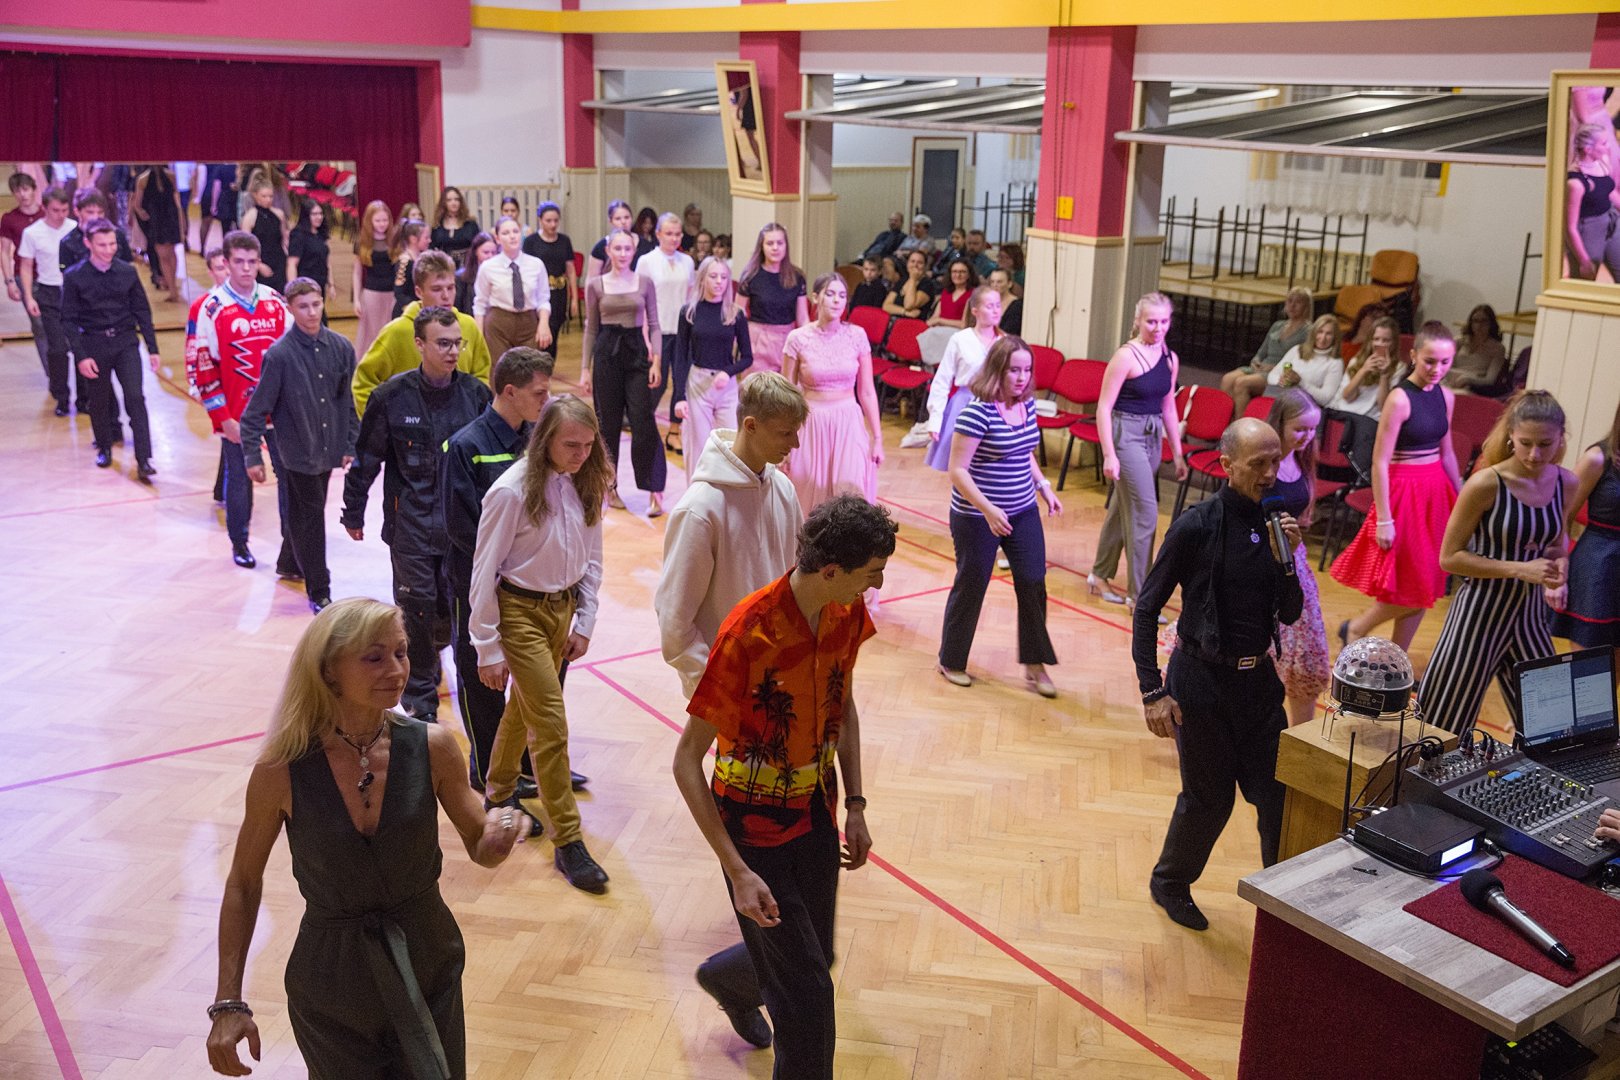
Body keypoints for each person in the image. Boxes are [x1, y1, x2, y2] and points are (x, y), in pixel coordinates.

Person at [204, 599, 521, 1080]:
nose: (396, 670)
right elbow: (243, 883)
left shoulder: (434, 747)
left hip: (426, 962)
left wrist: (500, 832)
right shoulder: (280, 770)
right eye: (374, 657)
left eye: (401, 652)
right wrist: (228, 1002)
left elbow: (481, 845)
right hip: (332, 984)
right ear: (328, 671)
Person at [672, 494, 894, 1080]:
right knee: (808, 1000)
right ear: (832, 571)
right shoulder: (748, 635)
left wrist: (856, 804)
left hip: (815, 813)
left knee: (816, 957)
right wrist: (736, 871)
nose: (877, 585)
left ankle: (730, 979)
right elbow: (686, 761)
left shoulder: (846, 613)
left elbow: (842, 705)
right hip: (753, 834)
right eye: (872, 573)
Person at [655, 372, 809, 1050]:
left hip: (787, 696)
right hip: (735, 706)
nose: (794, 445)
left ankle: (748, 969)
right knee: (752, 845)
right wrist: (726, 696)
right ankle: (745, 974)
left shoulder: (781, 487)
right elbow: (674, 625)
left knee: (791, 845)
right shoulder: (701, 509)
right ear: (748, 425)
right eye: (784, 433)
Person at [1135, 417, 1303, 932]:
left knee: (1277, 796)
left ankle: (1280, 906)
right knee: (1209, 801)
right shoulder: (1197, 525)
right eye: (1259, 464)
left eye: (1276, 461)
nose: (1271, 474)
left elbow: (1291, 612)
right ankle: (1169, 883)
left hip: (1258, 685)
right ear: (1228, 465)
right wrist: (1152, 691)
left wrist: (1288, 561)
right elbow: (1147, 607)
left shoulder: (1277, 525)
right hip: (1201, 683)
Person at [470, 395, 614, 893]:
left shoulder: (587, 482)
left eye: (588, 445)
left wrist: (585, 620)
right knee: (550, 724)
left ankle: (498, 793)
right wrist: (487, 646)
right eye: (571, 445)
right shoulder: (510, 491)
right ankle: (568, 841)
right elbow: (483, 571)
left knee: (524, 708)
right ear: (545, 439)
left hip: (562, 610)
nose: (581, 454)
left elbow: (593, 557)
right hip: (519, 612)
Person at [443, 348, 584, 813]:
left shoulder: (539, 441)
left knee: (539, 685)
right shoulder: (466, 445)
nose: (548, 400)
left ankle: (528, 765)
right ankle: (488, 775)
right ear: (509, 391)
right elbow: (463, 529)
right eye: (540, 393)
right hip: (482, 585)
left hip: (537, 592)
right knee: (486, 684)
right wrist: (514, 573)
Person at [342, 307, 493, 722]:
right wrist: (353, 511)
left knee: (454, 613)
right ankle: (421, 703)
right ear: (420, 345)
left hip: (462, 531)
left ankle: (470, 694)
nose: (453, 352)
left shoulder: (476, 397)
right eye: (443, 344)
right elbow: (366, 459)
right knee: (416, 611)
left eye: (457, 343)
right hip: (410, 527)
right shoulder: (391, 398)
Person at [1417, 391, 1575, 738]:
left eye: (1545, 444)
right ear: (1510, 436)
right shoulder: (1486, 483)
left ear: (1561, 438)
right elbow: (1449, 558)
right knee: (1442, 726)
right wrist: (1519, 569)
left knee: (1553, 726)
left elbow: (1556, 543)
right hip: (1478, 615)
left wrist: (1560, 566)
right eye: (1525, 443)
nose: (1534, 455)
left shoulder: (1566, 482)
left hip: (1529, 616)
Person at [937, 336, 1062, 696]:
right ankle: (951, 659)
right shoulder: (977, 412)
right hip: (977, 515)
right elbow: (957, 470)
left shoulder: (1027, 405)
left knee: (1033, 580)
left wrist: (1044, 486)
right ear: (997, 370)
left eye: (1027, 370)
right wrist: (988, 509)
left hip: (1022, 509)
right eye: (1014, 370)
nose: (1022, 378)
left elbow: (1024, 452)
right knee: (972, 583)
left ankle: (1035, 664)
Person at [1331, 321, 1463, 652]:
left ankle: (1397, 656)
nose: (1437, 369)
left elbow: (1446, 452)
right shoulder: (1400, 398)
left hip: (1436, 491)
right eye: (1430, 361)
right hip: (1405, 493)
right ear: (1414, 355)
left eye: (1445, 362)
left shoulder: (1446, 396)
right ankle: (1358, 628)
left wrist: (1461, 496)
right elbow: (1379, 461)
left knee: (1425, 583)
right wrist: (1385, 518)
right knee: (1412, 586)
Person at [238, 278, 360, 613]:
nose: (311, 312)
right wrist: (252, 456)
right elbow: (254, 413)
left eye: (316, 304)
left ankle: (288, 561)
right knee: (311, 516)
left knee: (303, 511)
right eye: (303, 307)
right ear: (290, 309)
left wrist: (351, 443)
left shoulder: (342, 348)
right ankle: (320, 590)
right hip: (296, 453)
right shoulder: (279, 356)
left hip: (328, 448)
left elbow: (349, 402)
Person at [194, 231, 294, 570]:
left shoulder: (275, 301)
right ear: (226, 263)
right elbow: (205, 368)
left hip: (278, 413)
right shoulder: (212, 308)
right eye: (239, 262)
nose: (247, 268)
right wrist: (223, 418)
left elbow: (292, 355)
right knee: (239, 478)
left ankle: (291, 546)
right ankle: (239, 542)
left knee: (289, 476)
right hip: (237, 415)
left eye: (252, 262)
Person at [1087, 292, 1188, 609]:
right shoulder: (1125, 357)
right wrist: (1109, 454)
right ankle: (1141, 597)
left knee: (1122, 508)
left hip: (1152, 435)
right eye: (1151, 321)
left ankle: (1099, 574)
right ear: (1138, 321)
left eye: (1164, 321)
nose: (1158, 328)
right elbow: (1103, 408)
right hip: (1125, 435)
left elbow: (1168, 406)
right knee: (1145, 513)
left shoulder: (1169, 358)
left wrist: (1178, 452)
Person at [62, 220, 161, 480]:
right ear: (88, 244)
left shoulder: (128, 272)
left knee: (135, 397)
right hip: (94, 344)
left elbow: (142, 311)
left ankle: (144, 458)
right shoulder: (74, 276)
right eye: (102, 245)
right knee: (100, 399)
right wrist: (81, 356)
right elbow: (68, 320)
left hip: (125, 341)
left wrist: (153, 348)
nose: (108, 250)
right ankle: (104, 447)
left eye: (112, 244)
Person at [781, 274, 884, 514]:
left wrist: (877, 438)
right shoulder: (797, 338)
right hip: (811, 423)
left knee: (851, 491)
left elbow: (867, 392)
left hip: (848, 422)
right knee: (808, 493)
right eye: (830, 294)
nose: (837, 300)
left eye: (842, 295)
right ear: (816, 297)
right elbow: (787, 395)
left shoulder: (857, 335)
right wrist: (783, 439)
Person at [581, 229, 666, 516]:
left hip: (636, 353)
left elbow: (655, 325)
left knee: (643, 420)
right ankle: (609, 484)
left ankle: (654, 488)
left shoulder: (644, 282)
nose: (622, 254)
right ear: (608, 251)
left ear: (634, 251)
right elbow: (591, 329)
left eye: (627, 249)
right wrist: (584, 368)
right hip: (607, 354)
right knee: (608, 424)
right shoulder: (595, 285)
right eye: (617, 248)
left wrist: (656, 361)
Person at [353, 251, 492, 418]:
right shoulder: (397, 331)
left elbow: (481, 376)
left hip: (460, 427)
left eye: (451, 287)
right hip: (410, 428)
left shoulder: (469, 326)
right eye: (436, 289)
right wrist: (381, 423)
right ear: (419, 291)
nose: (446, 296)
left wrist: (475, 417)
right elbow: (363, 382)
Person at [1263, 390, 1332, 727]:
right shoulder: (1264, 461)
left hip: (1293, 561)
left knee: (1305, 659)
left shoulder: (1301, 460)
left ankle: (1300, 740)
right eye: (1300, 429)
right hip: (1262, 565)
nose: (1307, 436)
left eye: (1312, 429)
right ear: (1280, 424)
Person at [673, 256, 752, 482]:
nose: (719, 282)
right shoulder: (689, 312)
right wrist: (679, 397)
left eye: (724, 277)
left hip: (726, 386)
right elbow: (680, 356)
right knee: (698, 446)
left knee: (732, 443)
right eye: (713, 276)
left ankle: (729, 493)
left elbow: (747, 357)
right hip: (698, 382)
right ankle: (696, 494)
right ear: (703, 278)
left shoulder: (735, 313)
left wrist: (728, 372)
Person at [1551, 399, 1620, 648]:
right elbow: (1563, 516)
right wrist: (1557, 575)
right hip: (1599, 565)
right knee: (1589, 661)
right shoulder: (1597, 458)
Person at [17, 186, 81, 416]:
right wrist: (28, 297)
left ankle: (84, 399)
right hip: (48, 292)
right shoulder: (32, 233)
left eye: (64, 210)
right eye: (55, 210)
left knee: (80, 346)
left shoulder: (75, 229)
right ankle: (61, 397)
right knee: (57, 349)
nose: (61, 215)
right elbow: (26, 266)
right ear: (45, 208)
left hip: (75, 293)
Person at [924, 286, 1003, 471]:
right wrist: (935, 419)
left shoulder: (1004, 342)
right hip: (965, 404)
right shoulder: (960, 339)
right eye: (989, 306)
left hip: (995, 405)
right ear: (975, 310)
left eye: (998, 305)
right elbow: (942, 380)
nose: (995, 311)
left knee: (989, 465)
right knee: (961, 466)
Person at [640, 212, 696, 450]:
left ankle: (674, 430)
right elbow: (641, 301)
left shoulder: (687, 262)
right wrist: (645, 337)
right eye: (669, 234)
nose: (674, 238)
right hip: (658, 331)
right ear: (658, 234)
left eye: (677, 234)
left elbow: (691, 297)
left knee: (682, 383)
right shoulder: (647, 261)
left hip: (682, 331)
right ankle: (644, 424)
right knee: (657, 383)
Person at [1220, 287, 1312, 416]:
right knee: (1227, 379)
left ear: (1306, 306)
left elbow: (1302, 362)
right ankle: (1226, 420)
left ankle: (1241, 423)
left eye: (1298, 302)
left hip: (1277, 372)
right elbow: (1261, 351)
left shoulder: (1308, 331)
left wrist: (1273, 368)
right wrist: (1256, 362)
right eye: (1290, 301)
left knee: (1241, 383)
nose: (1292, 305)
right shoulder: (1277, 325)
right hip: (1261, 367)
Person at [187, 247, 232, 503]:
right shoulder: (202, 306)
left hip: (247, 383)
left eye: (227, 266)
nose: (226, 273)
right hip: (218, 382)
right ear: (210, 272)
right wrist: (195, 384)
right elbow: (192, 346)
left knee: (234, 441)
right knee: (231, 437)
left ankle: (222, 489)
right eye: (219, 268)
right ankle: (228, 491)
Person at [474, 215, 553, 361]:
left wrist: (544, 323)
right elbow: (480, 304)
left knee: (529, 368)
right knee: (498, 369)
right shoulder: (488, 267)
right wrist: (479, 335)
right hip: (499, 323)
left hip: (528, 322)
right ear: (497, 239)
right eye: (505, 233)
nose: (512, 236)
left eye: (515, 231)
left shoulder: (536, 264)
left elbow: (543, 299)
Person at [737, 223, 809, 377]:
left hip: (787, 338)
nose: (775, 248)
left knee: (786, 387)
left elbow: (802, 318)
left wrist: (809, 344)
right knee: (758, 388)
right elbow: (738, 315)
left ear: (786, 246)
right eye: (770, 243)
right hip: (758, 340)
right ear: (762, 246)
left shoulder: (797, 276)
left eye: (779, 243)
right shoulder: (750, 276)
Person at [2, 173, 49, 386]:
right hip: (25, 276)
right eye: (17, 191)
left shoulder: (47, 213)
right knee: (38, 324)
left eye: (26, 189)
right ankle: (51, 372)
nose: (22, 194)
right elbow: (4, 251)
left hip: (51, 274)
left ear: (33, 190)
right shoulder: (9, 219)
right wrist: (9, 281)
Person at [1565, 122, 1620, 282]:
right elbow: (1570, 226)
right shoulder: (1576, 183)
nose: (1608, 147)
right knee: (1586, 277)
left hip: (1611, 222)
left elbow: (1609, 192)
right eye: (1603, 143)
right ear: (1588, 149)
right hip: (1590, 229)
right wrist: (1583, 260)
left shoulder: (1603, 164)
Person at [522, 202, 577, 347]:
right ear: (540, 220)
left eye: (556, 220)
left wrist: (574, 298)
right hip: (538, 293)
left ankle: (550, 360)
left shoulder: (564, 240)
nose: (553, 224)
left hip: (559, 293)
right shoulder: (531, 241)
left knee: (555, 330)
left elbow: (570, 270)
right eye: (548, 221)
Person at [1265, 314, 1344, 408]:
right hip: (1280, 396)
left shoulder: (1335, 362)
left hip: (1304, 406)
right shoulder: (1297, 350)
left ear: (1335, 338)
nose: (1323, 338)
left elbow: (1325, 398)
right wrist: (1280, 380)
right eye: (1320, 332)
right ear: (1314, 333)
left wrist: (1300, 381)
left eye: (1328, 334)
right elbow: (1271, 375)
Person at [132, 164, 185, 302]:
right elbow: (177, 202)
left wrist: (144, 215)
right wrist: (181, 223)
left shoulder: (142, 179)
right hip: (171, 218)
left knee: (163, 257)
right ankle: (172, 285)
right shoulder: (171, 176)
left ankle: (172, 289)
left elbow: (137, 205)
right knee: (171, 254)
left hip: (156, 221)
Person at [351, 200, 395, 356]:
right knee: (372, 333)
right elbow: (357, 273)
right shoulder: (362, 242)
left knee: (390, 330)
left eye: (385, 220)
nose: (382, 224)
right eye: (377, 221)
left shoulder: (394, 241)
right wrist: (356, 299)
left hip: (392, 293)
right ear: (370, 221)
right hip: (372, 293)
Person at [238, 181, 289, 296]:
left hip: (279, 262)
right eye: (264, 196)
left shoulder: (279, 214)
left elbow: (284, 239)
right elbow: (245, 248)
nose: (268, 199)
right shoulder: (249, 217)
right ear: (255, 195)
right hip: (260, 262)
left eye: (271, 196)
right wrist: (259, 265)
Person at [1446, 304, 1508, 393]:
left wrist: (1467, 379)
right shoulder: (1459, 341)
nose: (1479, 325)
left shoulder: (1498, 348)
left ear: (1491, 323)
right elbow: (1444, 367)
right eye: (1475, 321)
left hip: (1474, 386)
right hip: (1450, 380)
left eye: (1484, 321)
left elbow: (1490, 380)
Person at [285, 200, 332, 311]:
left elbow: (327, 261)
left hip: (320, 283)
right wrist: (293, 290)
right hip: (305, 285)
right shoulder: (298, 235)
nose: (319, 217)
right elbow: (292, 263)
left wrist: (331, 284)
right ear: (306, 216)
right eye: (314, 214)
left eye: (320, 214)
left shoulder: (321, 234)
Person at [588, 200, 649, 279]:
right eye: (618, 219)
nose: (623, 222)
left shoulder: (646, 245)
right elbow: (592, 279)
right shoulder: (600, 247)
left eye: (626, 217)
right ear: (611, 221)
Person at [882, 249, 937, 321]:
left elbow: (908, 305)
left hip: (912, 323)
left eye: (920, 263)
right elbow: (886, 306)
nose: (915, 265)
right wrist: (905, 312)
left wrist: (913, 279)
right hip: (895, 320)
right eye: (912, 261)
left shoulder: (927, 284)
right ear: (907, 264)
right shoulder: (903, 280)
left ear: (925, 267)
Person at [390, 220, 430, 319]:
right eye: (426, 238)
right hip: (407, 312)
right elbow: (399, 292)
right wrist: (413, 309)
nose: (429, 240)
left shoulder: (421, 258)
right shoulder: (404, 262)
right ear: (413, 239)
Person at [197, 163, 238, 254]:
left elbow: (201, 179)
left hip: (208, 192)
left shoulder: (209, 164)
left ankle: (202, 248)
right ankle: (230, 250)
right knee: (229, 225)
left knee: (206, 222)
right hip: (227, 196)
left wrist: (198, 196)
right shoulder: (235, 167)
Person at [430, 186, 480, 261]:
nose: (454, 203)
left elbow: (478, 245)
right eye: (449, 200)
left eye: (456, 199)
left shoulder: (470, 224)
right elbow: (432, 248)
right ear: (444, 203)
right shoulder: (437, 225)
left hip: (467, 263)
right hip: (444, 264)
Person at [928, 258, 978, 330]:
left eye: (962, 272)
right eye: (954, 271)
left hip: (959, 332)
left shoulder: (974, 294)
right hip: (939, 330)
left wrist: (940, 321)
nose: (958, 275)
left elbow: (964, 324)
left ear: (969, 274)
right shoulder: (946, 292)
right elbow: (935, 317)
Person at [455, 232, 494, 317]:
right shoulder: (461, 277)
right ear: (476, 252)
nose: (490, 256)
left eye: (493, 253)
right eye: (486, 252)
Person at [988, 267, 1023, 337]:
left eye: (999, 282)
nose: (995, 285)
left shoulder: (1017, 306)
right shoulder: (988, 303)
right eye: (992, 282)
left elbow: (1010, 333)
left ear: (1009, 284)